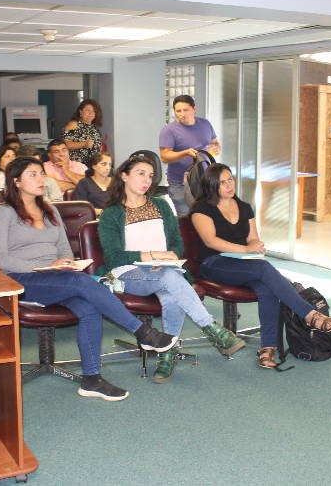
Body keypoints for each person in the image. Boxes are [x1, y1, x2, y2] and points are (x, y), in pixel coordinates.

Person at [0, 156, 178, 401]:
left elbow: (65, 250)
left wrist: (66, 263)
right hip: (22, 280)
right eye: (32, 174)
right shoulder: (3, 213)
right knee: (82, 282)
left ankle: (91, 379)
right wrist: (44, 266)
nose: (40, 179)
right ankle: (142, 332)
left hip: (57, 277)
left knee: (89, 307)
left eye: (40, 173)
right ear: (16, 182)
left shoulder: (50, 209)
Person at [98, 154, 244, 383]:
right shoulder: (112, 214)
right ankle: (212, 328)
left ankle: (167, 352)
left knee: (170, 293)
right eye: (140, 174)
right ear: (124, 176)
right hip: (127, 272)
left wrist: (170, 256)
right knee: (169, 278)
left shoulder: (160, 205)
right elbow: (114, 257)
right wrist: (151, 256)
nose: (147, 180)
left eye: (151, 176)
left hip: (165, 269)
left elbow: (176, 242)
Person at [190, 164, 331, 368]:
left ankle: (267, 348)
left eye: (230, 180)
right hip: (214, 264)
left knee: (267, 287)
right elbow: (211, 241)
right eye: (222, 182)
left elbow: (253, 238)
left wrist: (255, 246)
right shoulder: (201, 209)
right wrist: (245, 250)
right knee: (264, 269)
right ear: (212, 185)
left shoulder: (244, 207)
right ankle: (309, 314)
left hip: (244, 265)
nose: (228, 185)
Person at [159, 95, 221, 214]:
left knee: (206, 218)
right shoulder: (169, 130)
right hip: (180, 183)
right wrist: (185, 153)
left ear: (194, 109)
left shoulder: (205, 124)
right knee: (187, 221)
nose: (182, 114)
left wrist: (216, 148)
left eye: (185, 110)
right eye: (178, 111)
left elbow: (215, 143)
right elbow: (165, 157)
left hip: (205, 181)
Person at [62, 99, 103, 166]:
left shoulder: (94, 127)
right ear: (80, 112)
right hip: (78, 165)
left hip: (94, 164)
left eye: (94, 111)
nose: (91, 113)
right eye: (88, 110)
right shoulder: (73, 124)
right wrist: (84, 143)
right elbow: (66, 145)